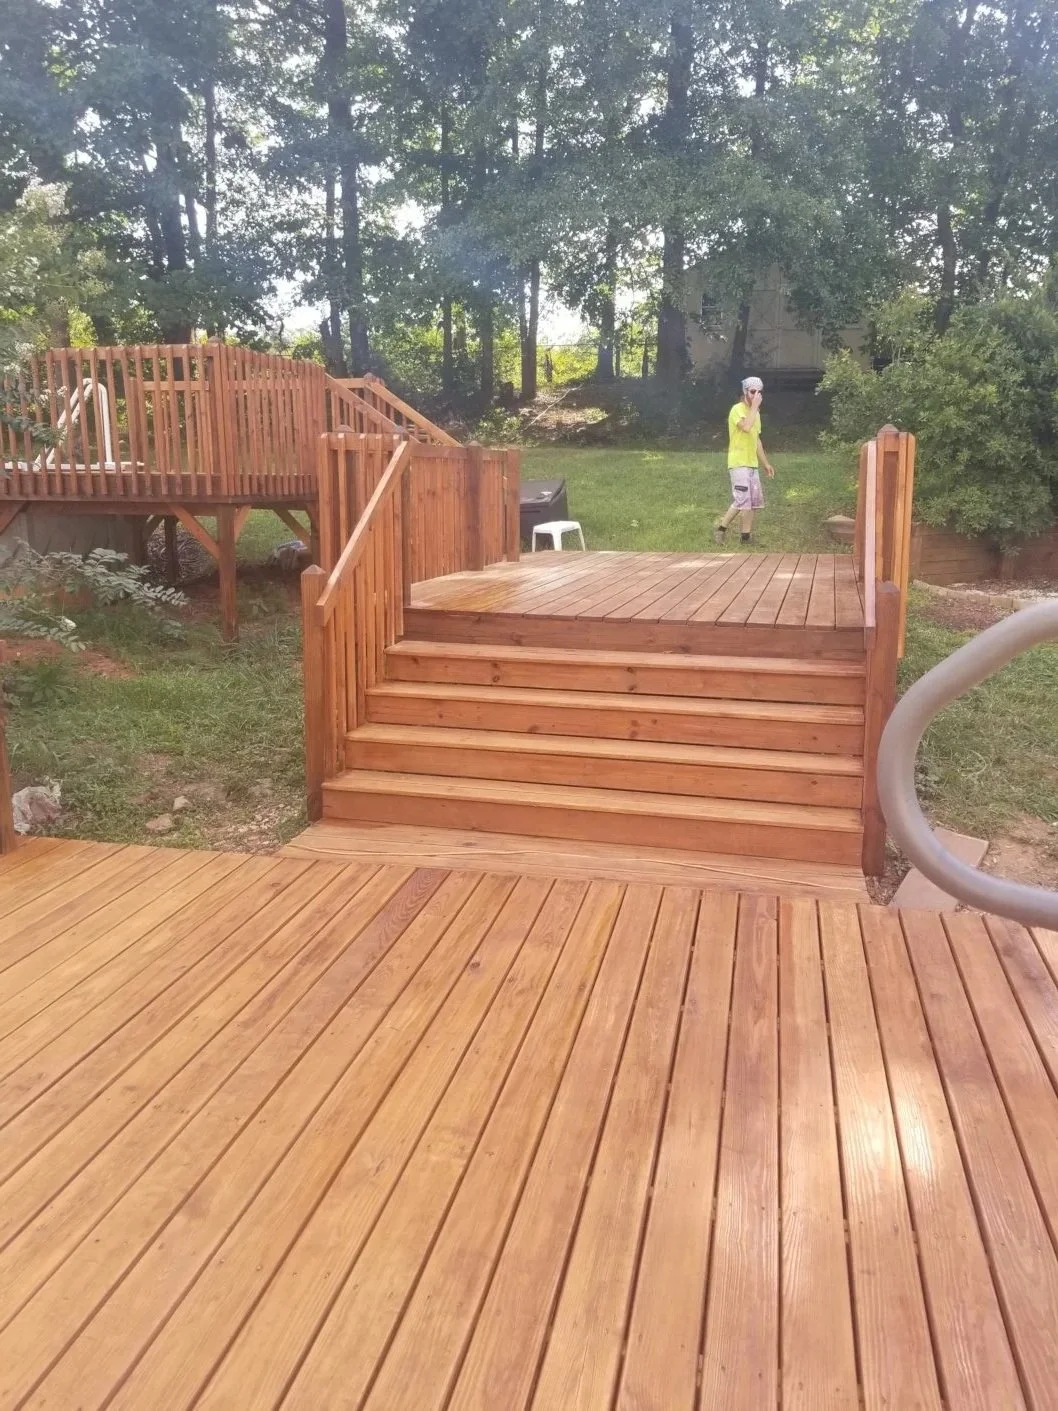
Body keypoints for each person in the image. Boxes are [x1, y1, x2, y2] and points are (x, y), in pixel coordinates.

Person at [714, 375, 775, 544]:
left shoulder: (756, 414)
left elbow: (756, 440)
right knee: (742, 500)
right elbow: (746, 427)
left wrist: (765, 463)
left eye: (759, 392)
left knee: (753, 502)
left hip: (752, 463)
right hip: (738, 462)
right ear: (745, 392)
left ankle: (745, 537)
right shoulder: (737, 409)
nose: (756, 395)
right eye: (753, 391)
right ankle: (721, 529)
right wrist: (754, 407)